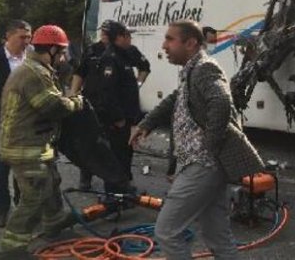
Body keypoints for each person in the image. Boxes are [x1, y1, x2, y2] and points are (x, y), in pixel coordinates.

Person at [129, 20, 264, 259]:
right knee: (216, 235)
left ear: (190, 43)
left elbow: (221, 102)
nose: (164, 45)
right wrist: (146, 124)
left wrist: (208, 149)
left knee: (167, 231)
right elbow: (174, 99)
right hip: (204, 164)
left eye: (170, 39)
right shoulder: (191, 70)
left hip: (202, 165)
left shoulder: (204, 68)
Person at [0, 25, 84, 260]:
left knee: (51, 183)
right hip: (24, 147)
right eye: (63, 52)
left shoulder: (37, 68)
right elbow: (52, 106)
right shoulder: (34, 73)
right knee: (33, 198)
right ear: (53, 49)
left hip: (35, 145)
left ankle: (54, 226)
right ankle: (11, 250)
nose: (65, 58)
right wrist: (77, 102)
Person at [72, 20, 150, 190]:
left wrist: (136, 86)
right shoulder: (96, 51)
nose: (104, 35)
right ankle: (89, 177)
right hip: (94, 105)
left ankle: (123, 183)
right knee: (93, 144)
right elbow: (80, 74)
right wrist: (73, 95)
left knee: (121, 150)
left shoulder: (127, 52)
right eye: (103, 32)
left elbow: (144, 67)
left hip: (117, 111)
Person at [0, 20, 31, 228]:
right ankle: (1, 209)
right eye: (21, 37)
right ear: (9, 36)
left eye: (28, 37)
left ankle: (22, 206)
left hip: (28, 126)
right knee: (1, 169)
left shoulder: (32, 60)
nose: (26, 41)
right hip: (2, 126)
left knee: (24, 169)